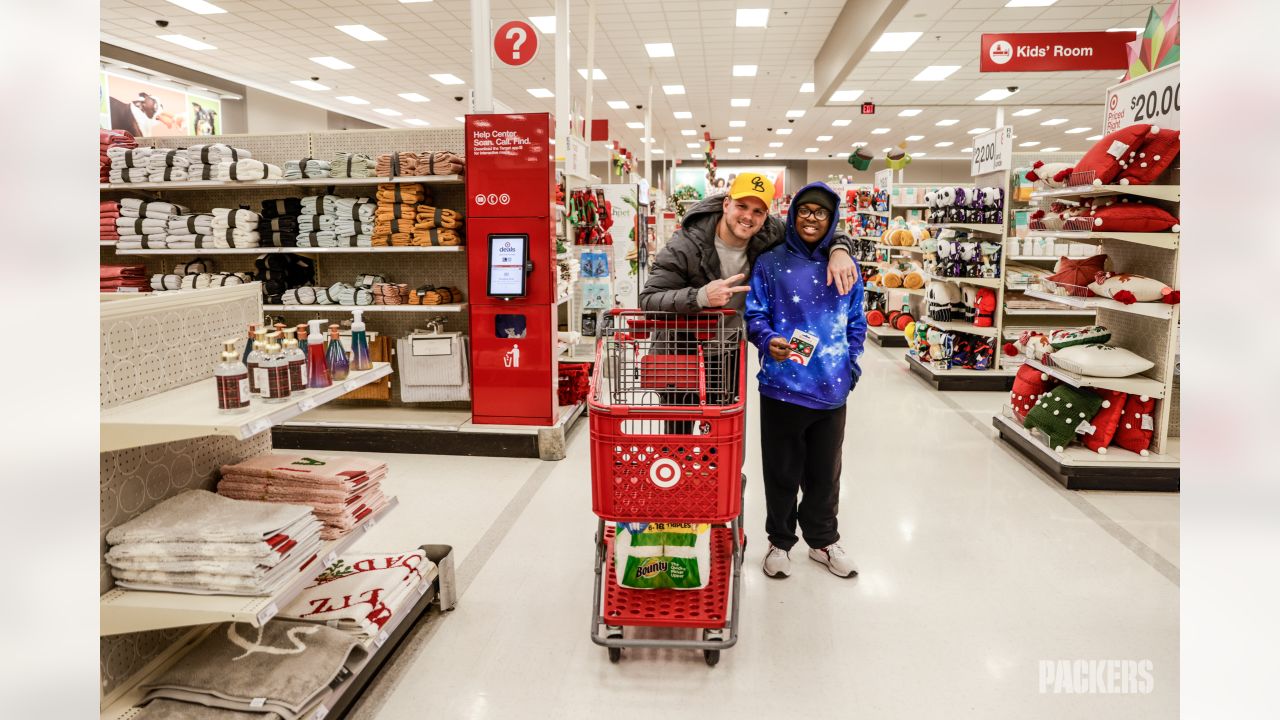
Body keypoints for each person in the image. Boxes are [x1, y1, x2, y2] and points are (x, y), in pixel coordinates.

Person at [639, 171, 857, 405]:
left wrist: (840, 250)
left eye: (758, 211)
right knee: (678, 436)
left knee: (722, 435)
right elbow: (648, 299)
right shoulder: (685, 246)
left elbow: (818, 229)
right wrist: (700, 296)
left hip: (728, 353)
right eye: (741, 206)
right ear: (726, 204)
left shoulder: (771, 233)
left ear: (765, 216)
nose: (748, 217)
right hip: (680, 352)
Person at [744, 181, 866, 579]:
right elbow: (754, 313)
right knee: (780, 471)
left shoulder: (846, 266)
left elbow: (856, 321)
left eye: (821, 212)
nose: (812, 218)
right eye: (805, 210)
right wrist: (767, 339)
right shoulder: (770, 262)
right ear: (793, 213)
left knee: (825, 473)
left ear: (832, 220)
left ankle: (823, 541)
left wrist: (852, 368)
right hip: (781, 387)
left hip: (831, 390)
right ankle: (779, 543)